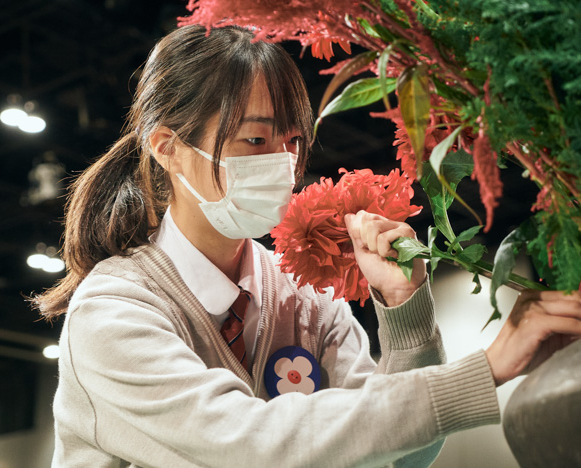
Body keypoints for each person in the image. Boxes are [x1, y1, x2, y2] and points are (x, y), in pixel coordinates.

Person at [35, 25, 581, 468]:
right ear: (169, 150)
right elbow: (250, 448)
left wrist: (406, 314)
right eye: (255, 139)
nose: (283, 162)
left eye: (292, 141)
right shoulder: (114, 312)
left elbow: (402, 456)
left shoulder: (304, 295)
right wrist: (484, 371)